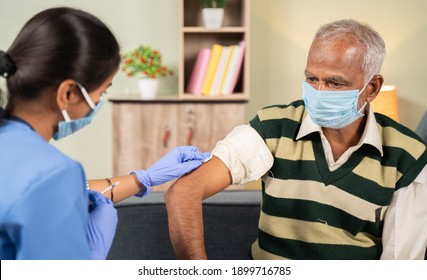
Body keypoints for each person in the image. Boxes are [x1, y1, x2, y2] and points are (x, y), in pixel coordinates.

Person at [165, 19, 427, 260]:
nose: (318, 92)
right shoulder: (272, 126)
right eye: (311, 78)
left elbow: (400, 266)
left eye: (335, 83)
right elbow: (184, 192)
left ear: (372, 88)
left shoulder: (408, 157)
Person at [0, 7, 209, 260]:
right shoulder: (53, 173)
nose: (99, 102)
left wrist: (143, 178)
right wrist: (91, 258)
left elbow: (56, 196)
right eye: (102, 92)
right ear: (69, 94)